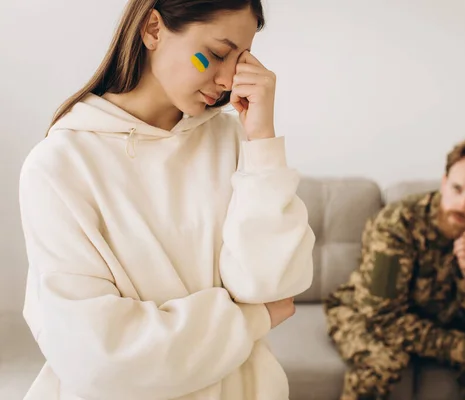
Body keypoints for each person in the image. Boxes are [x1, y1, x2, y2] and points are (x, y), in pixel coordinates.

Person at [18, 1, 315, 399]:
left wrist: (262, 139)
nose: (228, 80)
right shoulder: (60, 165)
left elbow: (273, 283)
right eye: (216, 54)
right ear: (153, 29)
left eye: (241, 60)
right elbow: (99, 356)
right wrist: (252, 319)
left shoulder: (235, 141)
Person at [324, 135, 465, 400]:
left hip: (441, 316)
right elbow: (383, 318)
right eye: (457, 189)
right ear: (444, 182)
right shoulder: (398, 223)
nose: (462, 205)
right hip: (365, 312)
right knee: (383, 361)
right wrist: (462, 348)